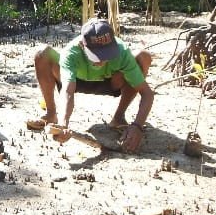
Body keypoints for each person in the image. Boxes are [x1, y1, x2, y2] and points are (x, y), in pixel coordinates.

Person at [30, 18, 154, 153]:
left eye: (106, 54)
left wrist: (137, 126)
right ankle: (51, 114)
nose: (101, 60)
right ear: (82, 46)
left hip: (111, 81)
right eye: (96, 55)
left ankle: (118, 117)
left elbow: (147, 93)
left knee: (144, 57)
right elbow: (67, 91)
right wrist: (63, 124)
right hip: (76, 80)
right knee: (42, 54)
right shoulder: (71, 53)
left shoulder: (121, 51)